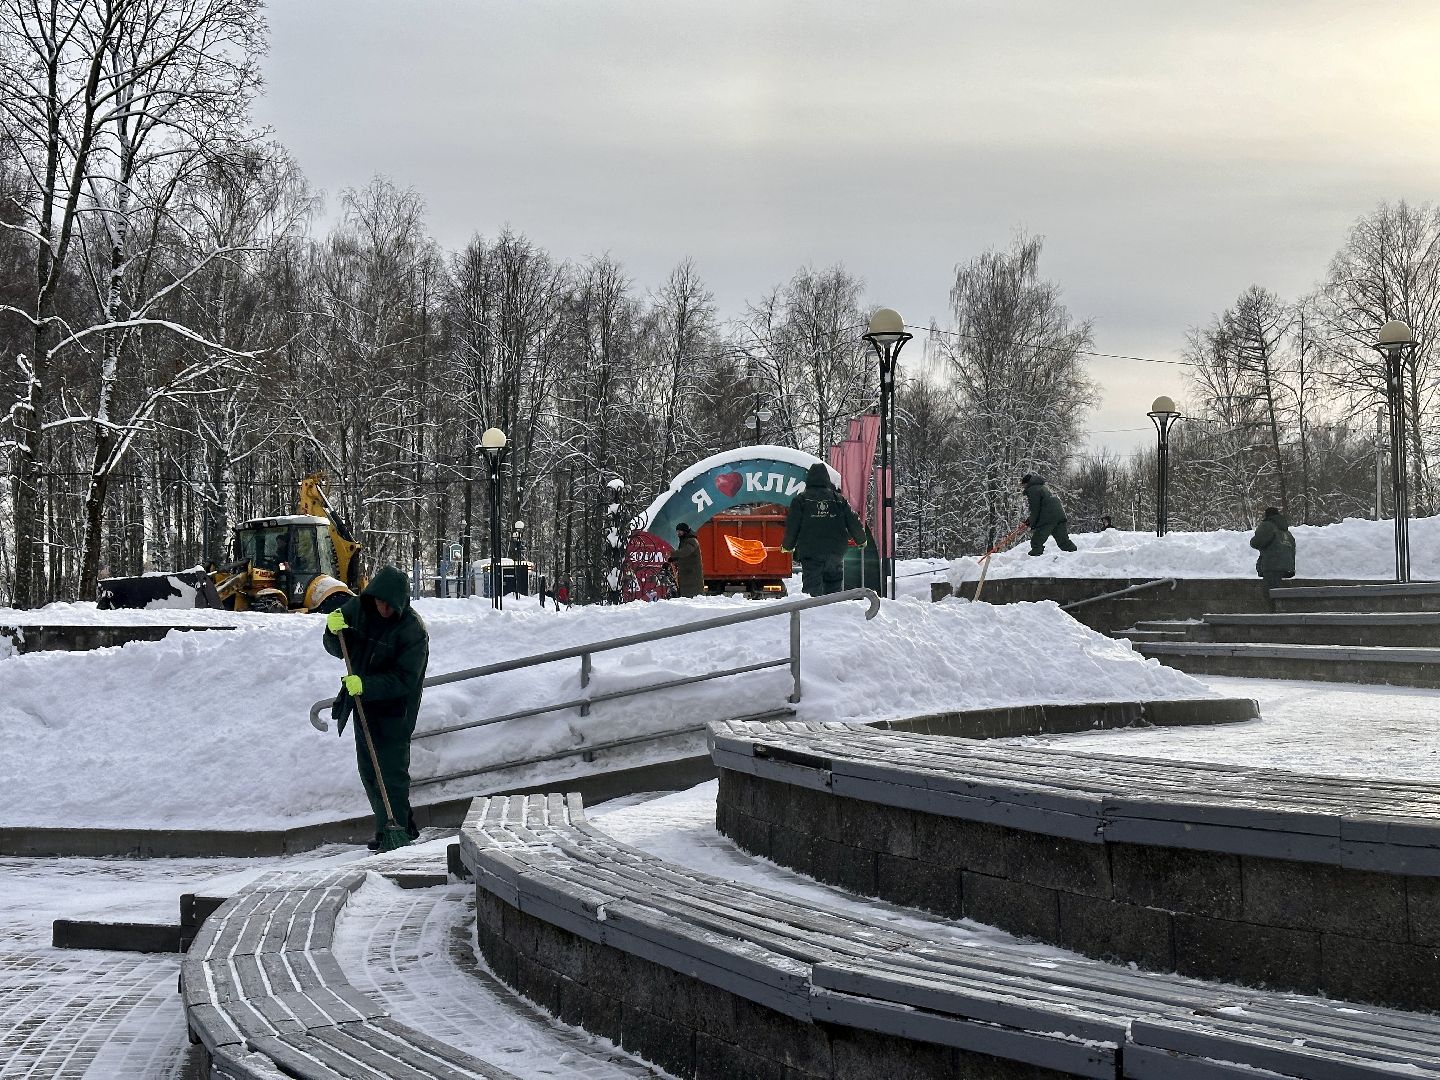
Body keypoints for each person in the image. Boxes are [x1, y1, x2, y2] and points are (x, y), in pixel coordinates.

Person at [323, 565, 429, 851]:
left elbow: (405, 679)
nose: (383, 608)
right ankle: (389, 828)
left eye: (389, 604)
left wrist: (366, 685)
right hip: (362, 704)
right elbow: (338, 645)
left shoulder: (412, 631)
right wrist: (331, 632)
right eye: (379, 601)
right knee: (369, 770)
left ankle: (398, 830)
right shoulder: (358, 609)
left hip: (395, 711)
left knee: (391, 773)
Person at [782, 463, 866, 596]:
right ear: (827, 479)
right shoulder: (839, 500)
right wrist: (861, 539)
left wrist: (787, 546)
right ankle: (833, 611)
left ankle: (812, 613)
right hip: (835, 551)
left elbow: (793, 526)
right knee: (834, 586)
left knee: (812, 588)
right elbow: (853, 520)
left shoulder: (800, 500)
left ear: (809, 479)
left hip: (811, 552)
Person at [1020, 474, 1077, 556]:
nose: (1023, 487)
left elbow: (1035, 509)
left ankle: (1034, 560)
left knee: (1036, 542)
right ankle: (1076, 555)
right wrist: (1030, 520)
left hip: (1048, 517)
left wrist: (1031, 521)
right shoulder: (1043, 487)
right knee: (1063, 541)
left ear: (1027, 483)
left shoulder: (1032, 489)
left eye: (1023, 485)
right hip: (1059, 515)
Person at [1250, 506, 1296, 592]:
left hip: (1272, 566)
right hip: (1287, 567)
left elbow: (1257, 542)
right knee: (1281, 595)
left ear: (1267, 515)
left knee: (1270, 594)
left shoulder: (1268, 526)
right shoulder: (1287, 533)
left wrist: (1252, 541)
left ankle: (1275, 605)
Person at [668, 522, 704, 597]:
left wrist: (671, 554)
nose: (678, 533)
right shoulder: (684, 540)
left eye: (679, 531)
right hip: (688, 573)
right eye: (677, 531)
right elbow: (683, 556)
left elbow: (685, 552)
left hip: (691, 574)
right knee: (687, 595)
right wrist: (673, 559)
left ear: (685, 531)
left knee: (692, 595)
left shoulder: (692, 541)